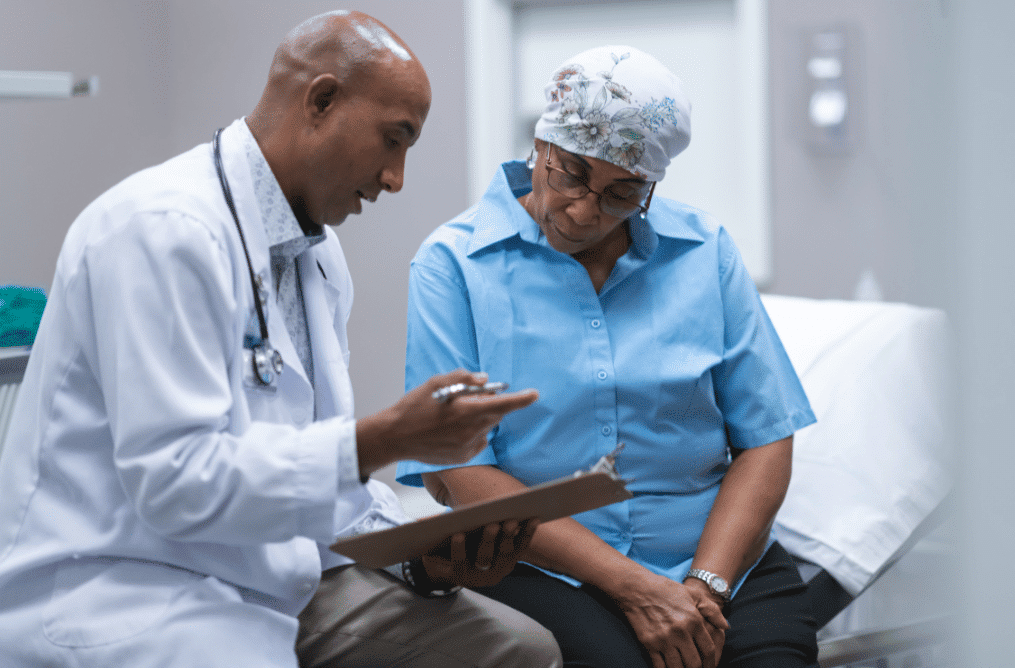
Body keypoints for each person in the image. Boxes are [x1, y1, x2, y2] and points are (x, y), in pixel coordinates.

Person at [0, 11, 562, 668]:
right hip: (122, 586)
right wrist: (391, 438)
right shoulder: (161, 230)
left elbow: (321, 483)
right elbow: (177, 486)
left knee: (519, 651)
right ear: (321, 101)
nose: (395, 178)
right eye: (393, 140)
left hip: (276, 577)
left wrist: (424, 557)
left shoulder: (318, 258)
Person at [397, 46, 820, 668]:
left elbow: (766, 439)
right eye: (569, 173)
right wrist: (637, 588)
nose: (585, 209)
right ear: (540, 144)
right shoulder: (454, 266)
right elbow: (460, 473)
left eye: (622, 193)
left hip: (719, 561)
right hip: (551, 566)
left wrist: (704, 587)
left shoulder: (703, 251)